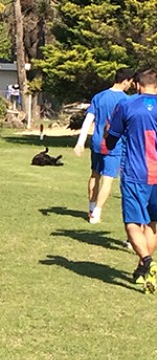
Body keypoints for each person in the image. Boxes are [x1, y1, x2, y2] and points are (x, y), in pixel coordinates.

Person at [105, 69, 157, 292]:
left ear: (137, 85)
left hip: (135, 174)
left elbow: (112, 137)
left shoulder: (127, 105)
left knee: (132, 223)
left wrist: (109, 137)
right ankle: (141, 271)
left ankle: (147, 261)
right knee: (154, 223)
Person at [73, 67, 135, 224]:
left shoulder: (99, 97)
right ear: (126, 80)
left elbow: (88, 120)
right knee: (108, 179)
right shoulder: (127, 101)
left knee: (95, 174)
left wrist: (80, 142)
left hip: (96, 143)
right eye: (131, 82)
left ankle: (91, 207)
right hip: (115, 145)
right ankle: (97, 213)